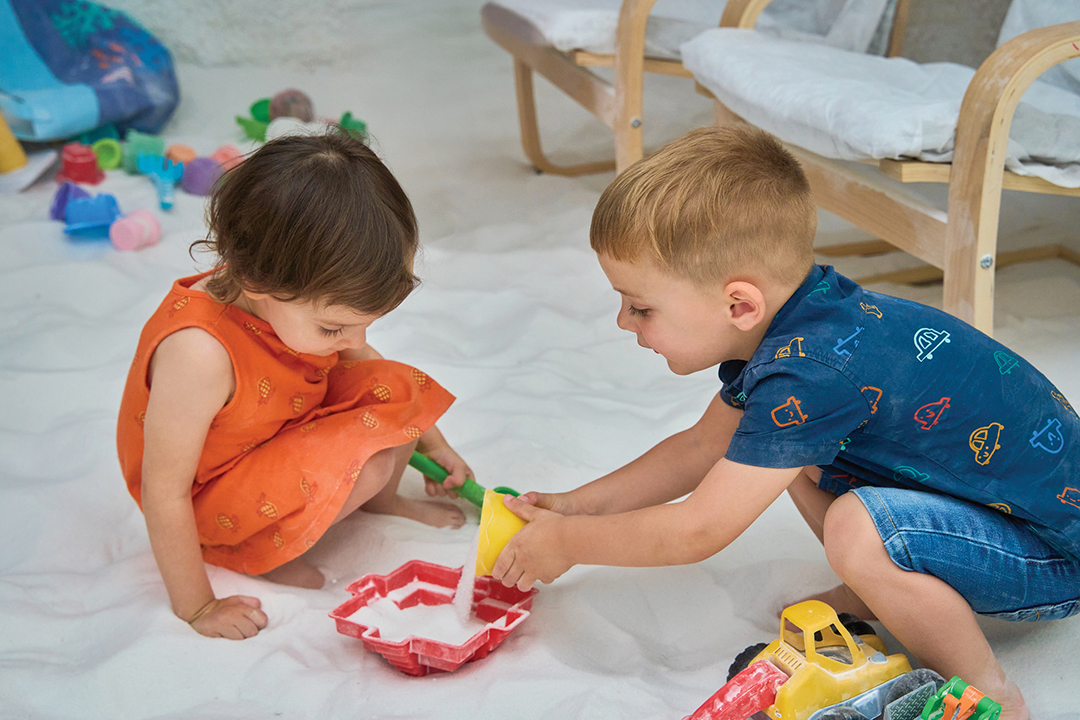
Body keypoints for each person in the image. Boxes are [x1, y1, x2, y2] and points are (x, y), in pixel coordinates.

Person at [493, 124, 1079, 719]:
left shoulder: (814, 371)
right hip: (997, 509)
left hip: (1054, 552)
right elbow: (697, 449)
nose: (624, 322)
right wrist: (576, 507)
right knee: (782, 456)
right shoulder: (803, 317)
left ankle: (989, 692)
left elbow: (698, 530)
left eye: (641, 307)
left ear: (740, 305)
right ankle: (881, 586)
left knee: (855, 525)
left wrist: (570, 544)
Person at [117, 131, 473, 640]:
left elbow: (375, 371)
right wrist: (197, 607)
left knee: (396, 384)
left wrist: (437, 446)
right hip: (210, 499)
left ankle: (381, 502)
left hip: (272, 429)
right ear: (258, 283)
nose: (356, 340)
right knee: (369, 460)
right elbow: (164, 491)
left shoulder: (285, 290)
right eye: (333, 329)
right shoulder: (199, 354)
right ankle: (258, 551)